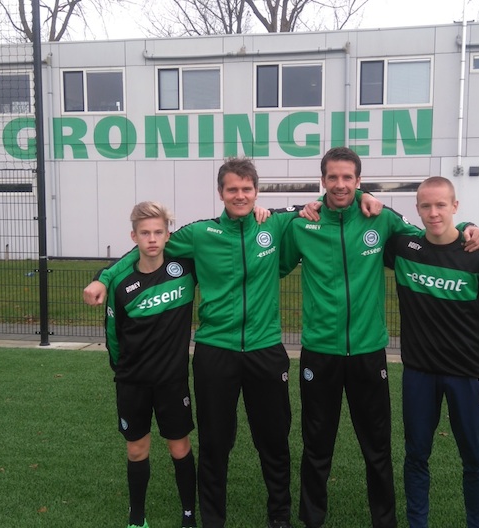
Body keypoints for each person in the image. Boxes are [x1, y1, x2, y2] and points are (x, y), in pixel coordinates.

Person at [83, 158, 381, 528]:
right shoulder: (200, 233)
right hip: (215, 352)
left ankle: (279, 517)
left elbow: (334, 197)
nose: (240, 195)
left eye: (246, 189)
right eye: (232, 189)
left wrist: (366, 195)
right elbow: (148, 250)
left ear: (256, 192)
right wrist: (104, 277)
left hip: (265, 350)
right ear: (221, 193)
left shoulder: (275, 223)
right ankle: (213, 519)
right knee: (215, 444)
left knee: (274, 443)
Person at [280, 147, 479, 528]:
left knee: (376, 448)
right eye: (332, 177)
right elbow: (275, 261)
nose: (340, 184)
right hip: (319, 352)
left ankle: (384, 521)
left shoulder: (382, 218)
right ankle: (312, 519)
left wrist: (469, 227)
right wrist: (283, 211)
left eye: (348, 178)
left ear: (359, 181)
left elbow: (431, 235)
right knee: (316, 446)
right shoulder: (302, 225)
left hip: (368, 351)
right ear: (322, 181)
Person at [384, 176, 479, 528]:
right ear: (417, 209)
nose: (434, 212)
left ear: (455, 206)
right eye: (426, 206)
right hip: (419, 374)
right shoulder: (405, 248)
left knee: (474, 460)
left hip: (468, 374)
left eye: (441, 205)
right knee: (416, 456)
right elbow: (373, 219)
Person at [101, 201, 198, 528]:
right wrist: (123, 371)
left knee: (179, 447)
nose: (152, 239)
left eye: (158, 232)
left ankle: (188, 515)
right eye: (145, 233)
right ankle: (137, 517)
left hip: (172, 382)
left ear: (168, 234)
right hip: (133, 382)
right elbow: (113, 336)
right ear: (134, 237)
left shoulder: (185, 269)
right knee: (137, 450)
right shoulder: (120, 284)